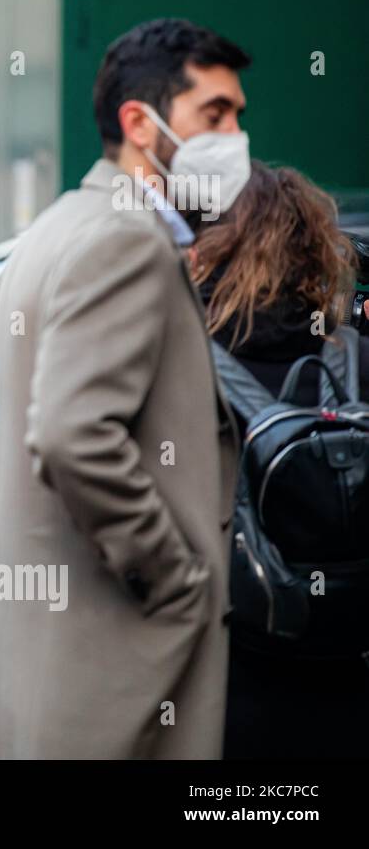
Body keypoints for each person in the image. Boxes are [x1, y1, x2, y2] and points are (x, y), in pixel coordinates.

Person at [0, 18, 250, 758]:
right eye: (214, 115)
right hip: (112, 666)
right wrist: (172, 575)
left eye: (237, 117)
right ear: (139, 124)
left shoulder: (61, 224)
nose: (233, 137)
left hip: (45, 667)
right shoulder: (128, 241)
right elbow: (69, 433)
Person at [189, 161, 369, 758]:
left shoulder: (188, 363)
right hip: (349, 656)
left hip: (237, 658)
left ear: (210, 248)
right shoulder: (353, 354)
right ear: (316, 246)